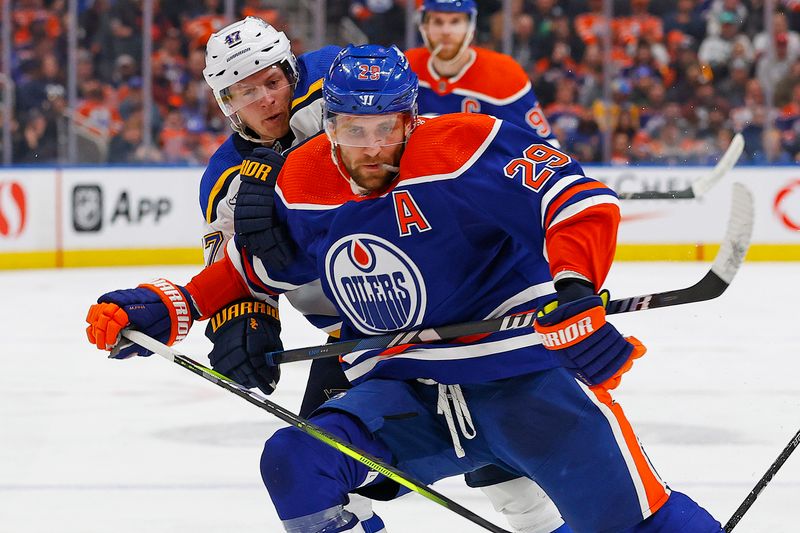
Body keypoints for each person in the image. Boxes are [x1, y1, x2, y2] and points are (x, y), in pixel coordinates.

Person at [86, 44, 724, 532]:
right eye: (352, 129)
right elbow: (253, 269)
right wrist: (178, 304)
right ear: (328, 122)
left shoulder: (465, 148)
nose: (371, 147)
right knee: (296, 463)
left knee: (635, 524)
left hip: (518, 381)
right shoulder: (301, 180)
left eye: (386, 126)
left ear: (412, 117)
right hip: (403, 391)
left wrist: (577, 290)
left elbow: (575, 201)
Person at [202, 17, 566, 533]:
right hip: (355, 336)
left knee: (508, 468)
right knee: (314, 466)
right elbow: (234, 271)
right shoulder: (224, 184)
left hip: (453, 306)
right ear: (224, 101)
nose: (266, 100)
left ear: (292, 70)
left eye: (273, 81)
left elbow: (423, 141)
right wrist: (242, 319)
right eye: (244, 91)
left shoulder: (340, 79)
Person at [406, 0, 559, 147]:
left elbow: (546, 146)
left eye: (455, 21)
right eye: (438, 22)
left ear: (471, 27)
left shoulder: (503, 73)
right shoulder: (404, 68)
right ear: (424, 26)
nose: (446, 31)